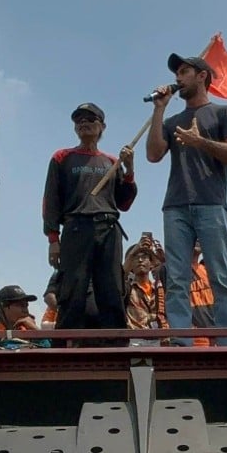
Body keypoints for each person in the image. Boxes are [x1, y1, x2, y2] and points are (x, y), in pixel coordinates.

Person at [147, 53, 227, 346]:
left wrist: (199, 141)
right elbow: (153, 155)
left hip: (211, 204)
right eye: (176, 73)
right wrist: (159, 111)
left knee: (220, 275)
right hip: (175, 205)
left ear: (202, 76)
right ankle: (180, 339)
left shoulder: (224, 113)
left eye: (184, 71)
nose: (178, 77)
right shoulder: (174, 119)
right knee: (176, 278)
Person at [43, 102, 137, 332]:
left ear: (102, 126)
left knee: (111, 287)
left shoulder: (112, 162)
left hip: (108, 228)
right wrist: (53, 239)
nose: (83, 123)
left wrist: (129, 169)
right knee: (72, 288)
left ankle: (115, 345)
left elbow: (124, 203)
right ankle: (66, 345)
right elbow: (51, 200)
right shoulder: (62, 157)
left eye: (90, 119)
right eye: (79, 120)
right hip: (76, 227)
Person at [123, 240, 168, 341]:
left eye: (144, 257)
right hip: (134, 342)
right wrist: (131, 254)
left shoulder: (159, 289)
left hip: (158, 342)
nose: (140, 260)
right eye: (135, 257)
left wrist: (163, 262)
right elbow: (119, 277)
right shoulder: (127, 289)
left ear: (151, 263)